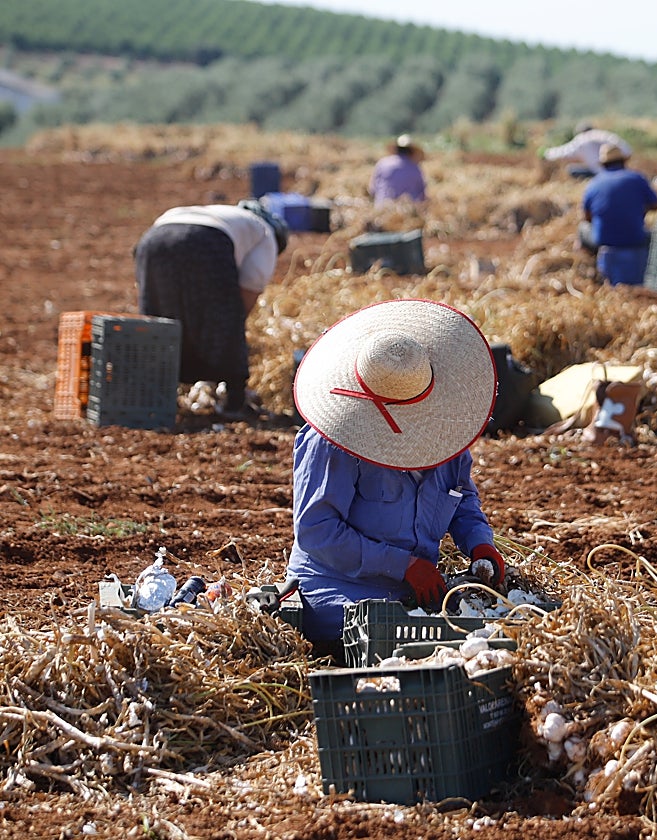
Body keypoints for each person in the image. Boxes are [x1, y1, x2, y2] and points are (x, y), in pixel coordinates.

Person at [286, 299, 505, 663]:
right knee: (418, 645)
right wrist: (402, 565)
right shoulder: (332, 442)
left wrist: (480, 544)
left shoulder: (445, 433)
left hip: (415, 594)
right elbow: (317, 530)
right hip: (340, 593)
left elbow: (462, 498)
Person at [134, 200, 288, 417]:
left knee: (162, 321)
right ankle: (235, 402)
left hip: (152, 240)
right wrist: (230, 339)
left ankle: (155, 397)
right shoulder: (265, 233)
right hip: (205, 242)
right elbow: (248, 291)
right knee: (228, 318)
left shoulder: (225, 215)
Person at [580, 143, 657, 285]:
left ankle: (591, 272)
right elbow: (655, 204)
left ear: (603, 164)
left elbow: (587, 217)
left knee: (582, 230)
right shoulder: (636, 178)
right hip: (635, 238)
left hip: (604, 239)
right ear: (623, 161)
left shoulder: (593, 183)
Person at [541, 121, 633, 179]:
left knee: (571, 170)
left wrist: (546, 153)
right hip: (620, 172)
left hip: (598, 174)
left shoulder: (582, 139)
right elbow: (627, 150)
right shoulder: (605, 135)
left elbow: (564, 152)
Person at [368, 134, 427, 206]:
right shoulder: (415, 168)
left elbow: (372, 190)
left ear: (396, 149)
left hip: (382, 208)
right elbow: (422, 194)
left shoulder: (382, 163)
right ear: (411, 152)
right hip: (407, 210)